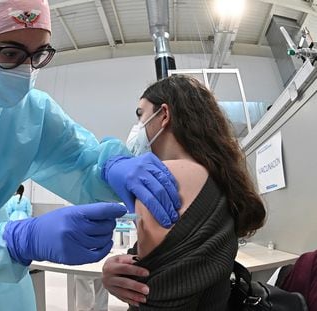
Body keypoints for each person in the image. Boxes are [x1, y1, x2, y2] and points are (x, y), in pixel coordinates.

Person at [0, 1, 181, 310]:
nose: (26, 69)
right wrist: (21, 239)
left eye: (38, 55)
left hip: (4, 286)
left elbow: (81, 161)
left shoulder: (33, 111)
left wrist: (112, 167)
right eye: (11, 54)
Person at [102, 75, 267, 310]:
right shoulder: (221, 178)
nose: (138, 126)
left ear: (164, 115)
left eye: (141, 114)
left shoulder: (160, 178)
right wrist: (122, 266)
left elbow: (149, 294)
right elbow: (170, 262)